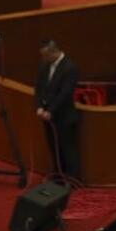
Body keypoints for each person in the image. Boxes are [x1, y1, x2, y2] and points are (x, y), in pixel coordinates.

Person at [34, 39, 80, 182]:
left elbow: (65, 93)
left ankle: (71, 181)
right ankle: (58, 177)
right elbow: (39, 88)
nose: (43, 59)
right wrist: (39, 106)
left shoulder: (70, 67)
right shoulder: (44, 66)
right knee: (54, 148)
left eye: (46, 56)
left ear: (54, 52)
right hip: (47, 117)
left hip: (64, 117)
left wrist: (51, 110)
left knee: (68, 150)